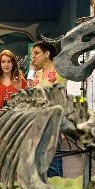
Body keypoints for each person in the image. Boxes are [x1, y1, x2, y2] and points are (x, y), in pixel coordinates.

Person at [29, 40, 67, 177]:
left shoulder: (59, 72)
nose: (33, 57)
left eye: (36, 53)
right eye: (32, 54)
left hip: (52, 121)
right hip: (36, 121)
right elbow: (30, 93)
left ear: (47, 54)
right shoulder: (37, 75)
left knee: (53, 160)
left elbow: (61, 98)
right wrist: (31, 72)